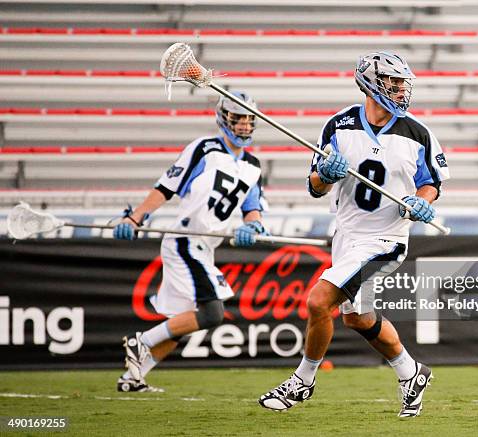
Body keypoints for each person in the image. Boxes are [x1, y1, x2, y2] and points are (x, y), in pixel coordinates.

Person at [259, 52, 450, 417]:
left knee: (318, 302)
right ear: (371, 82)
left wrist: (422, 201)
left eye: (401, 84)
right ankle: (411, 373)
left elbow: (431, 185)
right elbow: (315, 187)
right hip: (346, 236)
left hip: (385, 240)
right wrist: (326, 175)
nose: (399, 90)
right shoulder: (338, 126)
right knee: (357, 318)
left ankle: (302, 381)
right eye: (392, 83)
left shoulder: (417, 133)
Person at [115, 91, 268, 392]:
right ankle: (140, 341)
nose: (243, 126)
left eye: (249, 120)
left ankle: (134, 377)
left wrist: (253, 228)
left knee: (180, 321)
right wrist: (136, 217)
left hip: (205, 247)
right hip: (184, 241)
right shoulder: (204, 148)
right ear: (224, 118)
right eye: (237, 119)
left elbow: (253, 210)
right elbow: (166, 187)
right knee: (212, 314)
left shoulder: (253, 165)